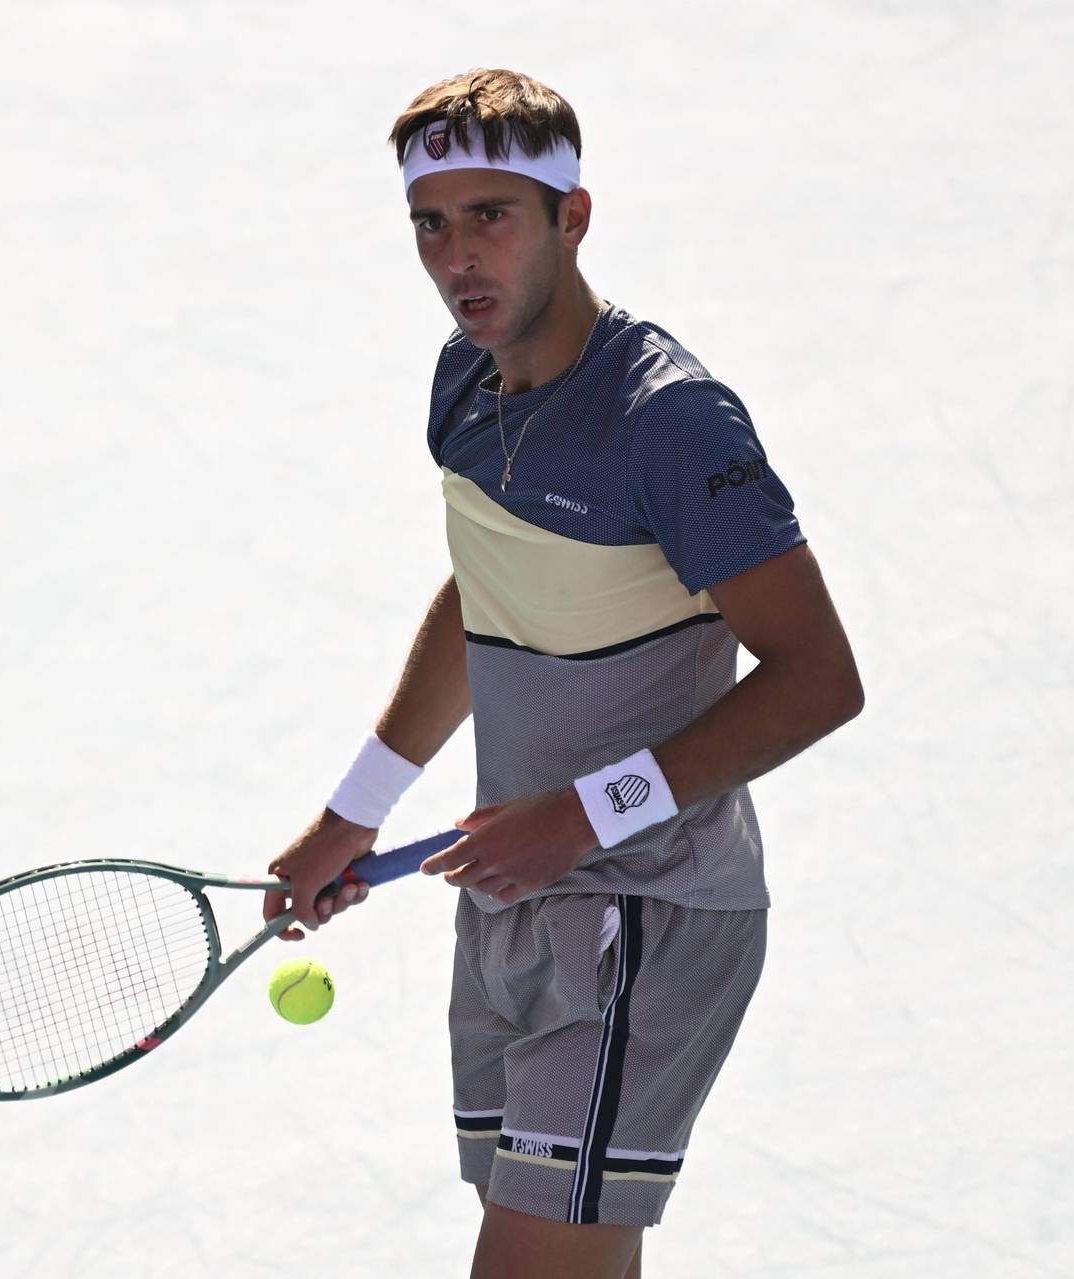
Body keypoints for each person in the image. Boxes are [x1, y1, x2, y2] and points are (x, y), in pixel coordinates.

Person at [261, 68, 865, 1278]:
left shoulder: (673, 423)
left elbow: (818, 679)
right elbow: (491, 590)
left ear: (570, 218)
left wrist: (583, 815)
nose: (456, 258)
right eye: (432, 223)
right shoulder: (466, 382)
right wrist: (351, 814)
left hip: (645, 911)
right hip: (519, 901)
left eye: (493, 217)